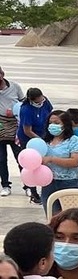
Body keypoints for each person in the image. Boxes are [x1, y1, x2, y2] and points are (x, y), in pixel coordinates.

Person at [40, 108, 78, 213]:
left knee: (71, 216)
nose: (52, 125)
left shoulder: (74, 141)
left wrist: (52, 159)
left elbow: (75, 162)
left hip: (68, 183)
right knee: (52, 217)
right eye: (50, 123)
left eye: (56, 123)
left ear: (65, 124)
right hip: (48, 183)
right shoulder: (45, 141)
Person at [0, 65, 24, 196]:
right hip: (0, 126)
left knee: (20, 157)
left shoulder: (15, 87)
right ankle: (5, 185)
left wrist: (15, 111)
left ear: (2, 74)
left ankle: (28, 185)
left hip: (15, 126)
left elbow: (23, 103)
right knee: (1, 159)